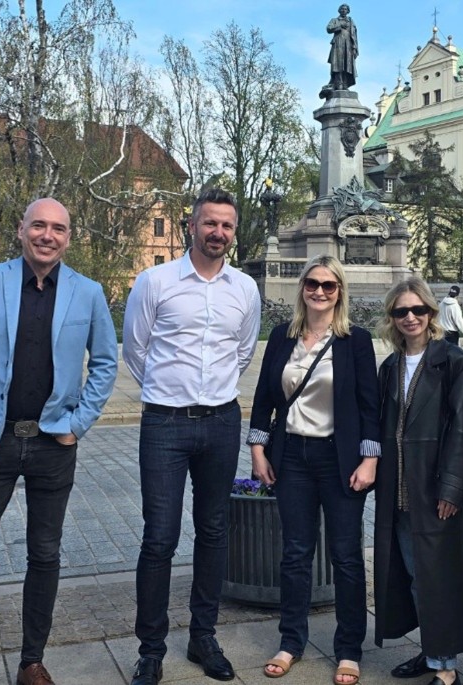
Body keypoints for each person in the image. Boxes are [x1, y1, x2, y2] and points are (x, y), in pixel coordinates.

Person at [0, 198, 119, 685]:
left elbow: (105, 363)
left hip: (53, 446)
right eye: (39, 225)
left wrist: (79, 423)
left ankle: (31, 663)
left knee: (45, 556)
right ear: (21, 230)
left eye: (58, 228)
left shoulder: (88, 293)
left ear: (68, 238)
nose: (47, 236)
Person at [123, 187, 262, 685]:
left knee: (214, 531)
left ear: (234, 231)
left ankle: (203, 636)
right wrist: (170, 392)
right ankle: (151, 650)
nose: (218, 232)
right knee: (159, 537)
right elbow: (135, 349)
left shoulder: (245, 289)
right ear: (191, 225)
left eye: (226, 225)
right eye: (210, 223)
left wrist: (209, 393)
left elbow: (242, 351)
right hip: (165, 424)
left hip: (221, 422)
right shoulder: (155, 281)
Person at [247, 254, 379, 685]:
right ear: (302, 288)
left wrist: (370, 459)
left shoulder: (355, 340)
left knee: (346, 557)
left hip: (339, 461)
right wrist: (258, 450)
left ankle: (349, 649)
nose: (319, 291)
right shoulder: (281, 336)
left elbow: (370, 406)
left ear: (340, 292)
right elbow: (264, 399)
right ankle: (291, 642)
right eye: (312, 284)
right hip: (292, 459)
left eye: (329, 285)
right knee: (295, 554)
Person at [374, 277, 463, 685]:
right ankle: (432, 652)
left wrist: (453, 488)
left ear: (431, 312)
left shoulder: (453, 362)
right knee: (413, 576)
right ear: (392, 318)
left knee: (437, 581)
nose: (410, 318)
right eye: (401, 311)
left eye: (418, 310)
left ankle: (446, 668)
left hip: (436, 491)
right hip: (399, 493)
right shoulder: (390, 366)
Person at [326, 4, 358, 91]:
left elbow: (354, 36)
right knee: (338, 64)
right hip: (338, 44)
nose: (344, 10)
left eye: (345, 9)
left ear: (348, 11)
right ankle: (339, 83)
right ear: (339, 10)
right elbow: (328, 29)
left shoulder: (351, 21)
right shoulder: (335, 20)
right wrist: (339, 27)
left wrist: (354, 48)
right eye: (342, 9)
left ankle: (345, 84)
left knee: (347, 65)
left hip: (348, 45)